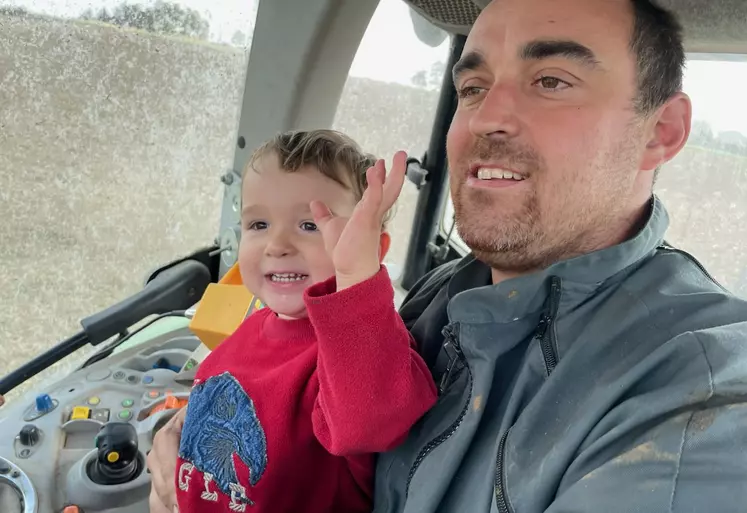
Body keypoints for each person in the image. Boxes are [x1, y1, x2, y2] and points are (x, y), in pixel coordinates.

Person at [150, 0, 747, 511]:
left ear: (660, 130)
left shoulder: (699, 394)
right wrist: (193, 438)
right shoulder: (446, 290)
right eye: (472, 88)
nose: (485, 118)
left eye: (552, 80)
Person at [153, 129, 437, 513]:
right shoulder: (257, 324)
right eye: (258, 225)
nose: (277, 245)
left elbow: (368, 421)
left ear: (373, 248)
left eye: (310, 225)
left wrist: (356, 278)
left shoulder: (361, 349)